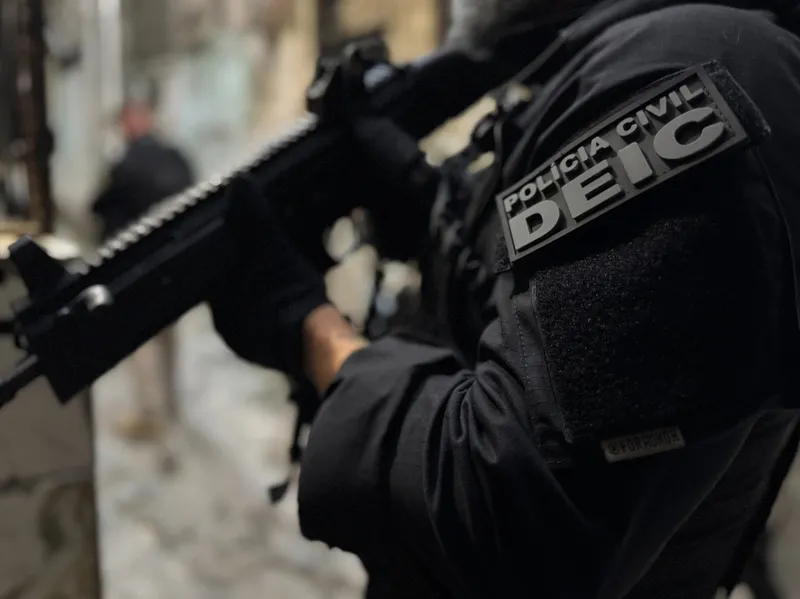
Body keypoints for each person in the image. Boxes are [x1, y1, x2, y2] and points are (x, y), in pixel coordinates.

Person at [210, 0, 800, 597]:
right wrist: (431, 215)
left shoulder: (685, 66)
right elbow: (551, 334)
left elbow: (504, 513)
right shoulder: (618, 53)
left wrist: (314, 333)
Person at [92, 95, 195, 442]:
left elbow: (101, 209)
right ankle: (168, 411)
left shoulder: (126, 163)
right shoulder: (176, 157)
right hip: (175, 267)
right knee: (166, 342)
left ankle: (153, 416)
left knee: (145, 345)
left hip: (139, 271)